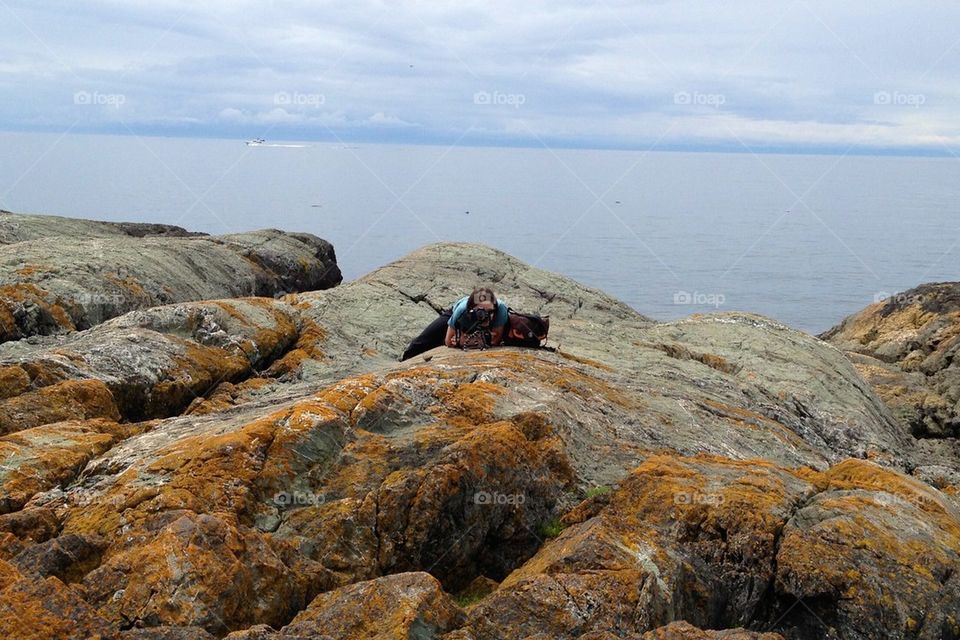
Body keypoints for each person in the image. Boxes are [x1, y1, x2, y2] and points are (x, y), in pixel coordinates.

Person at [400, 287, 509, 361]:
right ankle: (405, 360)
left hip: (480, 324)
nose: (485, 315)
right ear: (471, 308)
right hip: (461, 316)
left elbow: (495, 341)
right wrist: (472, 340)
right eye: (481, 311)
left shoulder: (500, 310)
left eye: (490, 311)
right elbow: (449, 341)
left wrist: (464, 341)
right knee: (424, 340)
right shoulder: (462, 310)